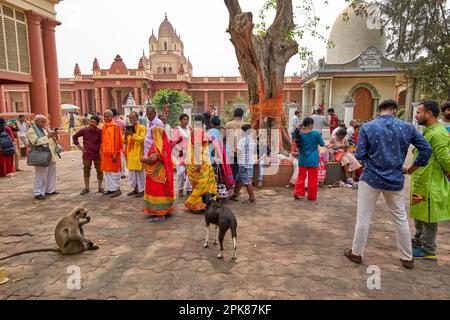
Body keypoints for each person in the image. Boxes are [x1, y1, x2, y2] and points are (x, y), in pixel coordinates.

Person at [344, 100, 432, 269]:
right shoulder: (407, 127)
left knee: (363, 218)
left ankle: (356, 253)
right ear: (395, 111)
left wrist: (373, 160)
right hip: (395, 178)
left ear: (379, 112)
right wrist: (412, 169)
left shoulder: (368, 127)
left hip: (370, 178)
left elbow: (360, 154)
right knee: (400, 219)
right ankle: (407, 258)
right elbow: (426, 149)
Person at [410, 101, 450, 261]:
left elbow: (445, 158)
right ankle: (419, 239)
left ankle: (428, 248)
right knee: (419, 213)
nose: (416, 115)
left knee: (428, 216)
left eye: (419, 112)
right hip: (421, 180)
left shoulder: (438, 133)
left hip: (430, 183)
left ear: (429, 114)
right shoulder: (429, 131)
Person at [141, 126, 175, 222]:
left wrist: (143, 159)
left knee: (157, 190)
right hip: (162, 172)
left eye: (152, 133)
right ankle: (165, 210)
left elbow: (153, 158)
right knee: (162, 190)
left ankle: (160, 214)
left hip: (157, 173)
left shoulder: (157, 144)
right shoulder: (164, 143)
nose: (151, 135)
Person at [185, 115, 217, 212]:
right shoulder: (199, 131)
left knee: (197, 184)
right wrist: (198, 163)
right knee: (202, 185)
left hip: (193, 161)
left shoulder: (193, 131)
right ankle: (195, 203)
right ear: (203, 123)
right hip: (200, 162)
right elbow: (198, 148)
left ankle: (198, 205)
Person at [27, 114, 59, 200]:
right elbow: (35, 142)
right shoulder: (31, 130)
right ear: (36, 121)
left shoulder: (44, 129)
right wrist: (48, 136)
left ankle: (50, 190)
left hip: (50, 153)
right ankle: (38, 192)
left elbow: (51, 140)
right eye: (42, 121)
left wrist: (54, 135)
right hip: (40, 154)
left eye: (45, 121)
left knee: (52, 172)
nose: (44, 123)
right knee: (41, 174)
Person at [292, 117, 325, 201]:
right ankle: (311, 197)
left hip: (302, 159)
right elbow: (322, 144)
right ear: (310, 124)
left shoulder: (299, 134)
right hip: (313, 160)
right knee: (312, 179)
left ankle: (297, 192)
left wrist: (298, 128)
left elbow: (293, 136)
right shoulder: (316, 133)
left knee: (301, 177)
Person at [73, 115, 103, 195]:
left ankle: (100, 187)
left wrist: (102, 150)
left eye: (94, 122)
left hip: (97, 154)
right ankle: (86, 188)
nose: (91, 123)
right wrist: (79, 147)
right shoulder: (84, 130)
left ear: (97, 124)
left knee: (99, 170)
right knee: (86, 169)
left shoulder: (100, 132)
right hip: (87, 154)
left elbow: (104, 142)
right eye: (91, 121)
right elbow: (74, 137)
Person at [208, 116, 235, 199]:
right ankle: (220, 194)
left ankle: (214, 195)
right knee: (219, 175)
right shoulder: (219, 132)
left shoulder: (212, 132)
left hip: (213, 157)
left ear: (211, 124)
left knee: (213, 176)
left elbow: (214, 145)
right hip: (220, 156)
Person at [230, 124, 257, 204]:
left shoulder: (242, 141)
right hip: (249, 162)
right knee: (239, 179)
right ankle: (235, 194)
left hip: (243, 164)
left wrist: (232, 150)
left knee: (247, 181)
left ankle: (252, 198)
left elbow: (239, 153)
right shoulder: (252, 140)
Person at [100, 110, 123, 198]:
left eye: (108, 116)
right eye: (105, 116)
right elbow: (103, 140)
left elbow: (117, 142)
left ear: (112, 116)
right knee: (107, 172)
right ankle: (110, 189)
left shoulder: (115, 126)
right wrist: (101, 151)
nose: (106, 118)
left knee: (114, 172)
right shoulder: (104, 127)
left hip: (113, 153)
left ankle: (117, 189)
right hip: (105, 153)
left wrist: (115, 154)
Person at [124, 112, 146, 198]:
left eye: (132, 117)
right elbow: (125, 141)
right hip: (130, 154)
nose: (131, 119)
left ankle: (142, 190)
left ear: (137, 117)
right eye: (130, 117)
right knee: (132, 175)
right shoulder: (130, 128)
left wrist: (132, 134)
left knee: (140, 174)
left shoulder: (142, 127)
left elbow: (142, 140)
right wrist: (126, 135)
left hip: (138, 154)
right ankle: (136, 189)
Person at [172, 114, 193, 197]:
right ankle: (180, 189)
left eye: (187, 119)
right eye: (184, 119)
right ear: (180, 120)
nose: (186, 121)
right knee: (180, 172)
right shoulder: (177, 129)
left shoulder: (190, 129)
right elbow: (173, 143)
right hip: (180, 154)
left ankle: (189, 189)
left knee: (190, 172)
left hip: (189, 154)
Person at [225, 108, 249, 179]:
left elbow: (225, 137)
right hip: (243, 152)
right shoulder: (247, 124)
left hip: (230, 151)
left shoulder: (228, 124)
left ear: (234, 114)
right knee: (242, 170)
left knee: (231, 169)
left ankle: (232, 183)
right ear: (242, 115)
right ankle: (239, 184)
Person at [111, 108, 127, 179]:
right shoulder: (123, 122)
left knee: (113, 156)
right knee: (121, 157)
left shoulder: (110, 122)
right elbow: (126, 132)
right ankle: (122, 172)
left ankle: (115, 171)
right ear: (117, 113)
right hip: (121, 141)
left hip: (111, 141)